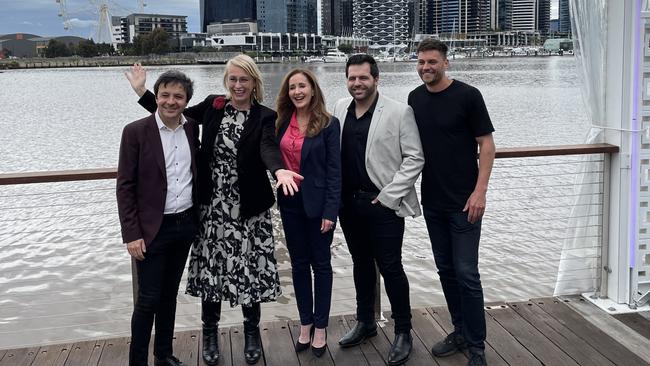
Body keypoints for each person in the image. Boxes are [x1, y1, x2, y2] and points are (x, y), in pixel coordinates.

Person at [125, 55, 301, 365]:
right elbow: (172, 112)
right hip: (212, 209)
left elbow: (268, 148)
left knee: (250, 273)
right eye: (232, 79)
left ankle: (250, 333)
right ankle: (209, 333)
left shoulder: (264, 116)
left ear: (254, 82)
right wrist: (142, 93)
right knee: (212, 273)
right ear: (226, 81)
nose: (237, 85)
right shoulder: (213, 105)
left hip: (249, 211)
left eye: (243, 79)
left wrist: (279, 171)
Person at [407, 38, 496, 366]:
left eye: (432, 62)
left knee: (466, 272)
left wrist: (480, 191)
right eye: (420, 62)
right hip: (433, 201)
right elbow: (409, 149)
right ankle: (459, 330)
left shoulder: (468, 96)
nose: (426, 67)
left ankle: (477, 347)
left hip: (465, 202)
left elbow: (486, 145)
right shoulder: (414, 99)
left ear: (446, 63)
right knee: (446, 270)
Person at [332, 54, 424, 366]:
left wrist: (389, 196)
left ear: (376, 79)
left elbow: (414, 158)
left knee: (390, 267)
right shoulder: (338, 109)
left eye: (363, 78)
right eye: (352, 78)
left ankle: (403, 331)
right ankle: (366, 322)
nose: (357, 83)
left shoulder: (399, 111)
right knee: (360, 265)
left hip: (383, 204)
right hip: (349, 204)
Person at [117, 70, 199, 366]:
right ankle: (137, 362)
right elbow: (125, 186)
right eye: (164, 95)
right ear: (157, 96)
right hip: (151, 230)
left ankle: (163, 355)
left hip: (184, 225)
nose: (170, 101)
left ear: (187, 100)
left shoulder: (191, 129)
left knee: (168, 296)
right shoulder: (135, 132)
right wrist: (131, 233)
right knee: (148, 299)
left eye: (178, 96)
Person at [274, 69, 341, 357]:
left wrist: (331, 211)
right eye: (292, 87)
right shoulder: (279, 124)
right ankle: (305, 324)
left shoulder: (328, 124)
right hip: (290, 205)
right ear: (287, 93)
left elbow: (334, 172)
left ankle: (321, 327)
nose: (297, 91)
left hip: (319, 207)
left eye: (302, 86)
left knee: (321, 266)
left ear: (313, 89)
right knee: (299, 265)